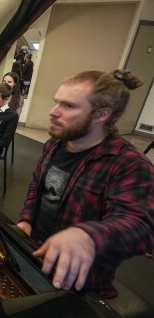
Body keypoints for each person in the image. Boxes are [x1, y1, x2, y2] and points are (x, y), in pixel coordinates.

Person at [16, 70, 154, 298]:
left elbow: (142, 225)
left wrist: (88, 235)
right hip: (36, 254)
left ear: (101, 114)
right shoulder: (54, 144)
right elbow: (36, 185)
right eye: (56, 102)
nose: (53, 112)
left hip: (79, 282)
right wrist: (26, 218)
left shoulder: (128, 163)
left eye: (68, 106)